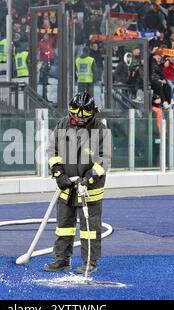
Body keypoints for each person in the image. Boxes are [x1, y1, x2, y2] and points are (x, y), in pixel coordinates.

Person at [44, 91, 111, 274]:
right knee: (64, 226)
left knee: (89, 228)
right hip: (67, 185)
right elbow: (52, 150)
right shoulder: (63, 124)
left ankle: (90, 262)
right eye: (75, 113)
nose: (79, 119)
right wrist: (58, 173)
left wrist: (88, 178)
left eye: (84, 115)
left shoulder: (101, 130)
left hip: (89, 189)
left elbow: (104, 160)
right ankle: (61, 260)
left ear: (92, 113)